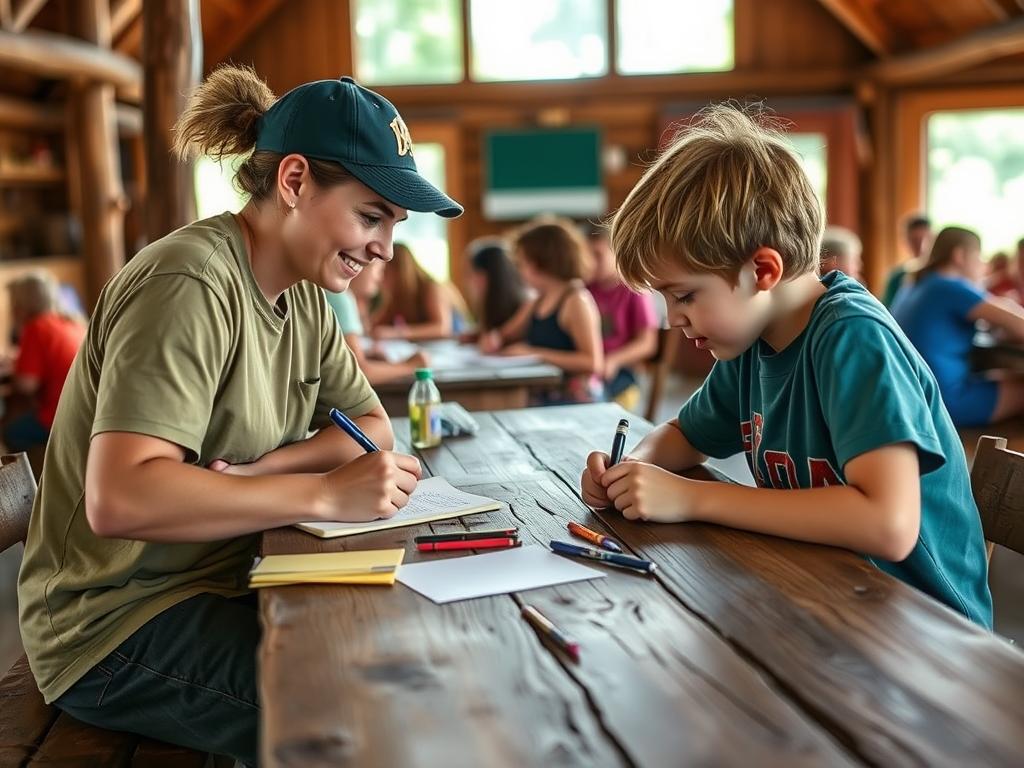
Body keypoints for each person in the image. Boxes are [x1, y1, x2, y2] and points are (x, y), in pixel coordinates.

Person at [17, 65, 462, 766]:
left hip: (227, 575)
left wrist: (263, 469)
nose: (383, 247)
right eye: (371, 216)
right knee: (370, 714)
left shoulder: (307, 297)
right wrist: (319, 491)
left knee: (420, 660)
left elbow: (371, 430)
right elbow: (121, 497)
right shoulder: (188, 283)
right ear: (293, 182)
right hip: (115, 625)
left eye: (393, 225)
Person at [579, 105, 992, 628]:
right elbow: (686, 433)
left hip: (924, 629)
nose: (671, 320)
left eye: (684, 295)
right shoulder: (752, 339)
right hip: (820, 595)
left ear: (763, 270)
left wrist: (694, 497)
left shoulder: (852, 337)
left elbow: (888, 524)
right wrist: (633, 469)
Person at [891, 226, 1024, 427]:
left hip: (909, 398)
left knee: (999, 375)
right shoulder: (950, 286)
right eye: (979, 257)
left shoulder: (913, 283)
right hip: (943, 402)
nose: (984, 265)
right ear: (959, 255)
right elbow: (1018, 324)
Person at [483, 218, 604, 404]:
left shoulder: (576, 300)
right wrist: (495, 339)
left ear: (538, 264)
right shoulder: (537, 301)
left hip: (574, 401)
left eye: (521, 263)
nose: (519, 271)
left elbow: (593, 363)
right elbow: (505, 335)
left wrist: (535, 354)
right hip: (542, 396)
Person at [2, 271, 85, 454]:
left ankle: (34, 479)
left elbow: (26, 385)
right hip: (85, 412)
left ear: (21, 304)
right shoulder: (73, 323)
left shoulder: (36, 328)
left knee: (10, 431)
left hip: (59, 417)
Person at [585, 227, 658, 410]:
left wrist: (614, 360)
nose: (591, 263)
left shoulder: (634, 288)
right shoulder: (585, 288)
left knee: (598, 405)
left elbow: (647, 343)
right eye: (586, 255)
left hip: (622, 373)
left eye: (597, 255)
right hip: (590, 368)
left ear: (616, 252)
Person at [325, 259, 430, 384]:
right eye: (379, 270)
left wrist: (366, 355)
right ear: (359, 267)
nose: (380, 279)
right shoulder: (340, 296)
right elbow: (356, 373)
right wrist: (412, 366)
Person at [370, 242, 461, 340]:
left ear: (400, 271)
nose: (380, 278)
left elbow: (442, 329)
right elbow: (376, 327)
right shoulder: (398, 296)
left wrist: (396, 333)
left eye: (384, 272)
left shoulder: (431, 287)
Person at [464, 237, 529, 337]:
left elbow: (499, 337)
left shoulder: (526, 306)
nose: (471, 281)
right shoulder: (488, 305)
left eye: (475, 274)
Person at [881, 214, 933, 308]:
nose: (921, 247)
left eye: (925, 240)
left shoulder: (940, 274)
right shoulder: (897, 277)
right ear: (906, 241)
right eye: (915, 241)